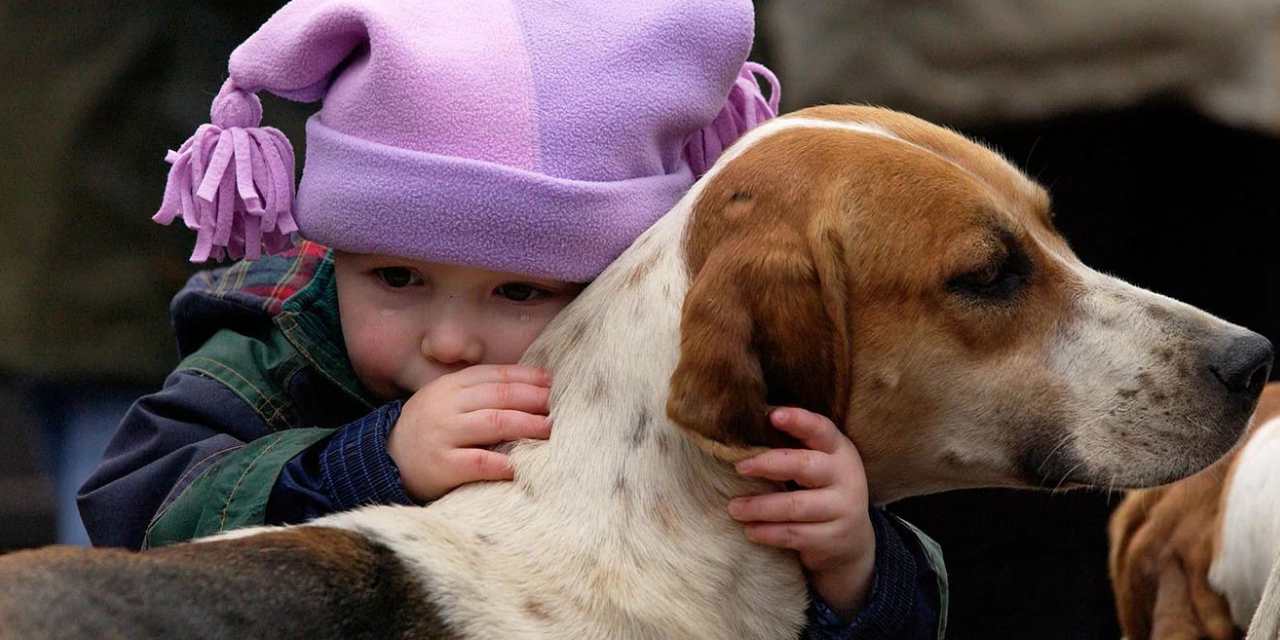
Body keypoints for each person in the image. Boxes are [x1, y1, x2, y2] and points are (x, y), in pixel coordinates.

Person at [78, 0, 945, 636]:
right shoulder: (275, 351)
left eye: (520, 292)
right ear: (334, 250)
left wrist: (856, 563)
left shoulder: (672, 379)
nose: (448, 340)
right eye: (397, 276)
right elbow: (137, 514)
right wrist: (363, 462)